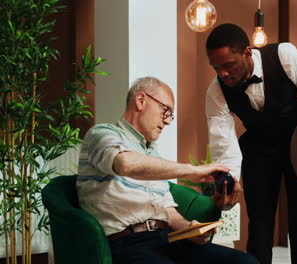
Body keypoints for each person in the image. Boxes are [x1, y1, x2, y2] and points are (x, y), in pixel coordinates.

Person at [76, 76, 259, 264]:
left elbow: (167, 211)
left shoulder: (153, 154)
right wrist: (192, 171)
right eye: (166, 111)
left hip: (168, 239)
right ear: (141, 100)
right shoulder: (101, 134)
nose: (168, 121)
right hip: (127, 243)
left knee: (245, 262)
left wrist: (189, 228)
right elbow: (125, 164)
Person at [205, 23, 297, 264]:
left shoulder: (285, 56)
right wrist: (229, 184)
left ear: (246, 52)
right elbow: (224, 145)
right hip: (259, 149)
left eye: (228, 65)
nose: (222, 73)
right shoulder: (216, 91)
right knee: (260, 224)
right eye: (216, 67)